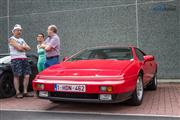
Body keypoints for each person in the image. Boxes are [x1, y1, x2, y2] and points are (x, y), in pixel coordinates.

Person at [8, 24, 33, 98]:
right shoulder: (11, 39)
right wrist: (23, 47)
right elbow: (19, 48)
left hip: (24, 59)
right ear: (13, 31)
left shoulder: (22, 40)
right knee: (16, 76)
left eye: (20, 30)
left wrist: (22, 47)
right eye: (17, 30)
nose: (19, 32)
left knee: (27, 75)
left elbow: (29, 48)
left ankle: (25, 92)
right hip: (15, 59)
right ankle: (17, 92)